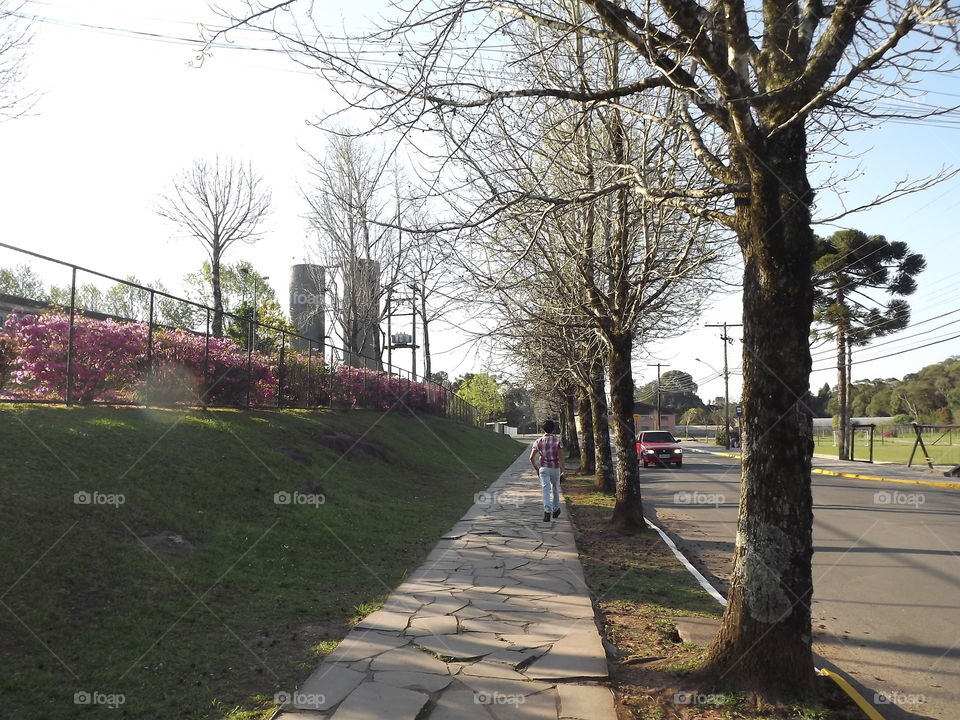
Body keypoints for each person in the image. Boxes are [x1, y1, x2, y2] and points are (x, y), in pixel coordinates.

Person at [529, 420, 564, 523]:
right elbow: (561, 457)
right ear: (553, 429)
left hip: (544, 468)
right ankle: (556, 509)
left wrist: (536, 467)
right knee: (555, 489)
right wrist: (563, 469)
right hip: (555, 468)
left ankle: (547, 512)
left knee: (545, 489)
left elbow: (531, 457)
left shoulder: (538, 441)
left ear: (542, 429)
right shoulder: (558, 441)